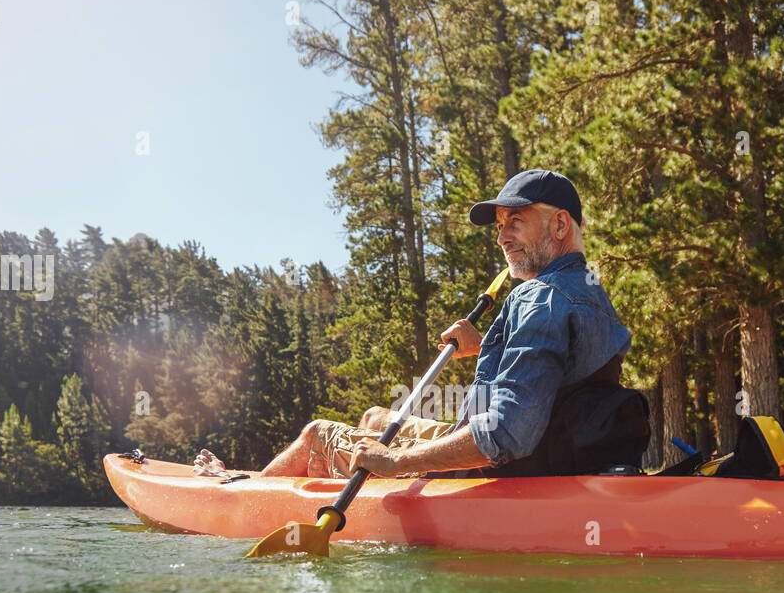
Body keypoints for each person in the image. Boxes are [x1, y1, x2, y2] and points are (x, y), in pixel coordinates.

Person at [193, 168, 646, 480]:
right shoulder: (589, 291)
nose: (503, 236)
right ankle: (309, 482)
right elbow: (557, 369)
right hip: (551, 450)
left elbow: (505, 433)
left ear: (561, 225)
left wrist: (396, 464)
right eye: (500, 226)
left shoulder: (537, 295)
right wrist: (485, 345)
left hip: (492, 469)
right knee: (374, 417)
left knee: (316, 434)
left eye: (517, 221)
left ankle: (238, 488)